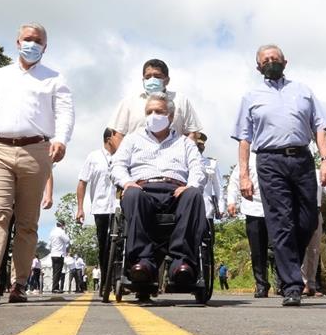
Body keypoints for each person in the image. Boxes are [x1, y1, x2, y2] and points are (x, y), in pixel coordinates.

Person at [0, 22, 74, 304]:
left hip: (37, 150)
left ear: (45, 47)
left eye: (37, 41)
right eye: (27, 39)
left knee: (26, 222)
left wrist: (61, 139)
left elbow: (65, 112)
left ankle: (19, 284)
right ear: (17, 41)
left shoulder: (55, 79)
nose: (31, 44)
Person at [231, 44, 326, 307]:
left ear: (285, 62)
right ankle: (291, 285)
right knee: (281, 221)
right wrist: (244, 175)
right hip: (268, 160)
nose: (271, 62)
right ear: (258, 67)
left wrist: (325, 160)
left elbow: (320, 127)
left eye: (275, 58)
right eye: (265, 60)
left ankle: (286, 268)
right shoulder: (251, 97)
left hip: (301, 157)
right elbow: (244, 139)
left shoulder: (303, 91)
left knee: (308, 220)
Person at [110, 93, 207, 288]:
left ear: (170, 116)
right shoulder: (132, 140)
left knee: (194, 195)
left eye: (159, 111)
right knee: (132, 194)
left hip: (176, 190)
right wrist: (127, 182)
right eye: (149, 111)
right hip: (142, 189)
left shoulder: (185, 143)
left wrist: (191, 185)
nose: (153, 115)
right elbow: (117, 166)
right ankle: (143, 262)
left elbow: (198, 168)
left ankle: (182, 263)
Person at [108, 58, 202, 139]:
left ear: (167, 80)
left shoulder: (180, 100)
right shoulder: (129, 102)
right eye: (148, 77)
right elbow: (117, 135)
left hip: (173, 158)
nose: (152, 80)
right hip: (137, 158)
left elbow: (191, 133)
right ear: (143, 80)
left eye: (157, 76)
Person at [75, 128, 119, 282]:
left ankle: (117, 279)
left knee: (120, 244)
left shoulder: (124, 156)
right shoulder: (93, 157)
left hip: (120, 208)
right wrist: (80, 208)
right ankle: (106, 281)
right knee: (104, 244)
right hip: (100, 208)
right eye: (119, 136)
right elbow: (82, 182)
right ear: (109, 138)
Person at [225, 158, 270, 297]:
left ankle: (284, 282)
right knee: (257, 250)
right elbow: (234, 181)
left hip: (276, 208)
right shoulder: (246, 158)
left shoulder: (275, 150)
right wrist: (231, 201)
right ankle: (261, 283)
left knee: (279, 248)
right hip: (253, 209)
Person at [301, 170, 326, 296]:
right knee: (301, 250)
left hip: (315, 213)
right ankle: (301, 284)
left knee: (314, 250)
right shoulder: (294, 171)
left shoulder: (320, 173)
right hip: (299, 212)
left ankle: (311, 284)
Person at [193, 132, 225, 223]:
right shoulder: (182, 162)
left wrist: (221, 207)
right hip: (187, 210)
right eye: (197, 144)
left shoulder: (211, 163)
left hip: (206, 209)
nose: (200, 146)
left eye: (201, 144)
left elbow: (218, 187)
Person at [48, 221, 70, 293]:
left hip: (53, 254)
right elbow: (67, 240)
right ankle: (55, 288)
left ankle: (55, 287)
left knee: (55, 271)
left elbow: (49, 244)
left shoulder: (52, 232)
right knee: (58, 272)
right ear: (62, 225)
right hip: (59, 254)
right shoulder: (61, 232)